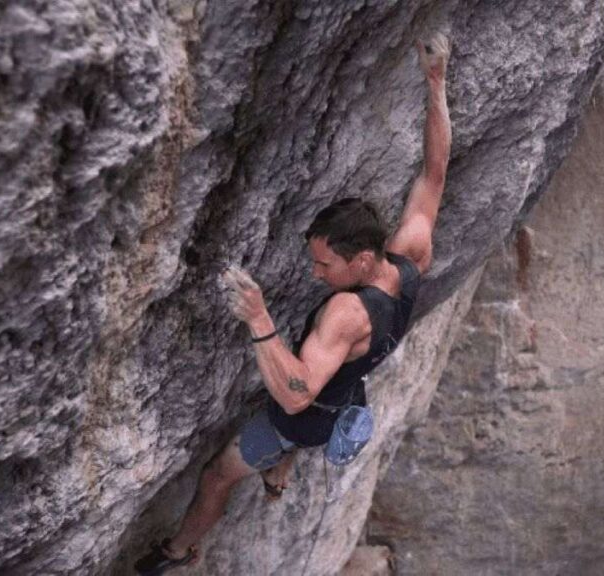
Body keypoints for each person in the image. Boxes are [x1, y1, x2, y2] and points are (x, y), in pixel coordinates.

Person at [134, 33, 451, 575]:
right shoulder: (408, 259)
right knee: (323, 390)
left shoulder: (346, 314)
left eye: (324, 265)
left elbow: (298, 393)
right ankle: (280, 470)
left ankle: (178, 550)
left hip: (305, 419)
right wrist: (436, 82)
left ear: (359, 261)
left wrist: (259, 319)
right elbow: (433, 172)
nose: (314, 272)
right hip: (348, 392)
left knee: (217, 474)